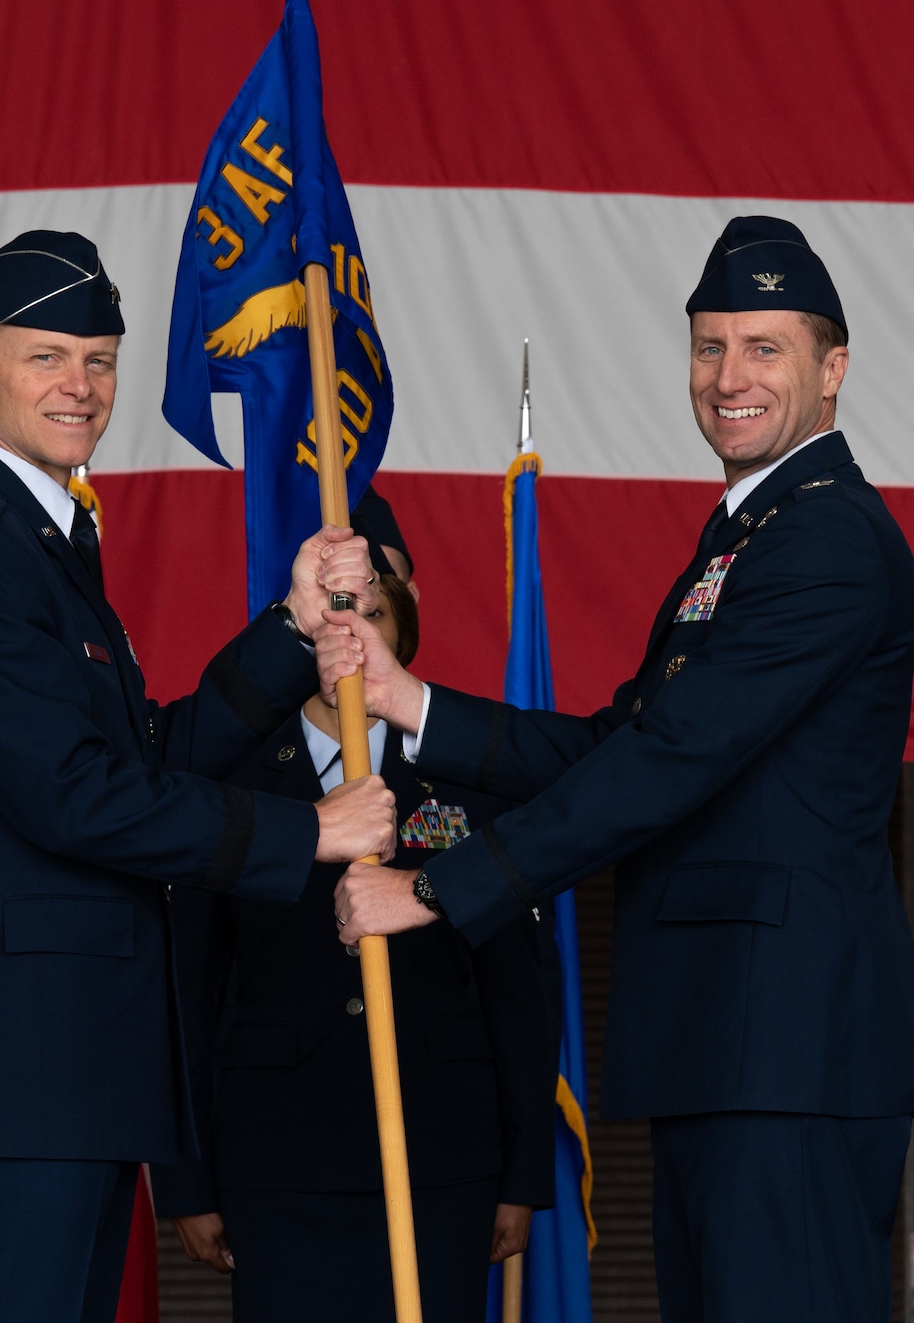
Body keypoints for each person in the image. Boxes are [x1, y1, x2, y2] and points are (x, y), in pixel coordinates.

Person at [325, 215, 914, 1321]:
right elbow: (620, 740)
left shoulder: (826, 540)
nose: (727, 376)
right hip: (726, 1044)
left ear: (831, 369)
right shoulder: (744, 538)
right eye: (708, 346)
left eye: (763, 347)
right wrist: (411, 700)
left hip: (786, 1051)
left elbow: (670, 757)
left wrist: (432, 888)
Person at [0, 229, 396, 1323]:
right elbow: (71, 794)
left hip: (72, 1070)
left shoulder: (43, 541)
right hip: (20, 1073)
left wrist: (293, 630)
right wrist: (309, 835)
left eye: (99, 359)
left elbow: (140, 756)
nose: (79, 385)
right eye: (45, 356)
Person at [152, 514, 560, 1322]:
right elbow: (189, 993)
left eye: (371, 613)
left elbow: (518, 991)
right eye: (332, 614)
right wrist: (187, 1179)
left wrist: (521, 1174)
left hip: (442, 1159)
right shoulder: (228, 782)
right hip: (278, 1166)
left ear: (402, 629)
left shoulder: (472, 779)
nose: (352, 639)